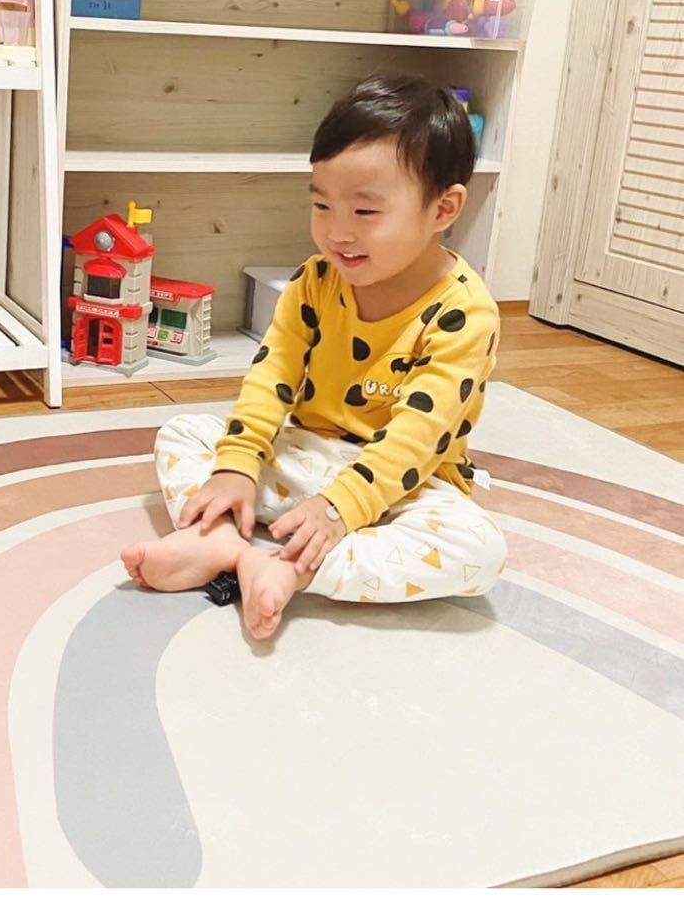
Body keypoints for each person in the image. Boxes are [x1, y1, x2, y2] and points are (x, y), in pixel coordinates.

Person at [121, 74, 508, 640]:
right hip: (304, 459)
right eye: (322, 205)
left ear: (443, 208)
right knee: (185, 433)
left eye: (365, 212)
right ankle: (223, 540)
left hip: (403, 486)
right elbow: (272, 375)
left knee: (479, 549)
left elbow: (418, 438)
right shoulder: (316, 280)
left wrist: (340, 508)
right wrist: (237, 465)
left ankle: (290, 568)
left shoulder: (466, 313)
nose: (336, 232)